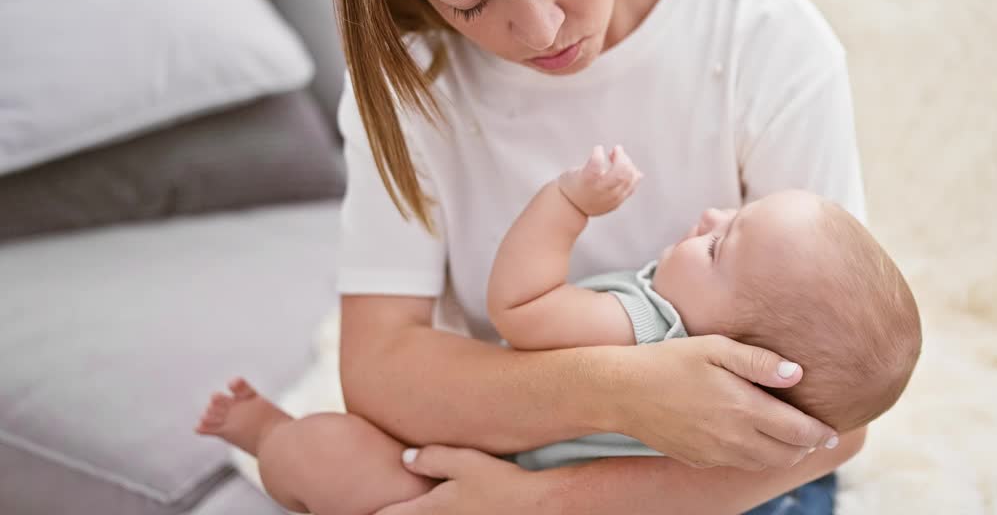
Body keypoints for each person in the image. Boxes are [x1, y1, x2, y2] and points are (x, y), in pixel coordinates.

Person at [211, 0, 876, 510]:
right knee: (331, 455)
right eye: (467, 3)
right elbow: (378, 371)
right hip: (512, 438)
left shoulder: (762, 40)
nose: (540, 28)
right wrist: (623, 394)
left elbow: (837, 419)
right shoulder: (417, 85)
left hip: (706, 478)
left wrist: (548, 502)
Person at [196, 147, 921, 515]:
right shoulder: (756, 422)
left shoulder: (639, 323)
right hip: (509, 480)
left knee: (326, 451)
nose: (709, 217)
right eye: (734, 215)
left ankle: (268, 435)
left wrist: (566, 204)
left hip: (502, 479)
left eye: (720, 246)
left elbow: (521, 303)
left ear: (756, 354)